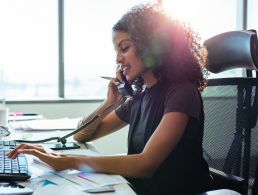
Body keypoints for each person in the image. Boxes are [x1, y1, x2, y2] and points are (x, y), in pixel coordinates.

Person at [7, 3, 213, 194]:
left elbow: (146, 164)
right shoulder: (140, 97)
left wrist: (65, 161)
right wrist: (110, 103)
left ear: (150, 46)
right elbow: (82, 136)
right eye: (117, 51)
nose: (118, 59)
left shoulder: (182, 93)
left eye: (124, 48)